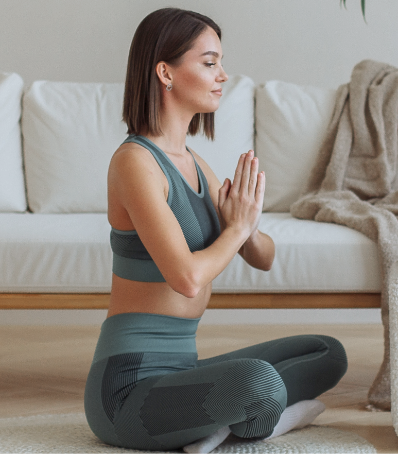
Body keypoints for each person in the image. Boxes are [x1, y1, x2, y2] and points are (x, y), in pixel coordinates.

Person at [84, 7, 348, 453]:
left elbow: (263, 258)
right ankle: (252, 420)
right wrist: (234, 229)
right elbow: (185, 278)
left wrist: (246, 223)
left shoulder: (195, 163)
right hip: (128, 393)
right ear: (165, 72)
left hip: (181, 374)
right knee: (258, 383)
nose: (222, 75)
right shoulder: (135, 162)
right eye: (209, 63)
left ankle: (218, 423)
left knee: (326, 352)